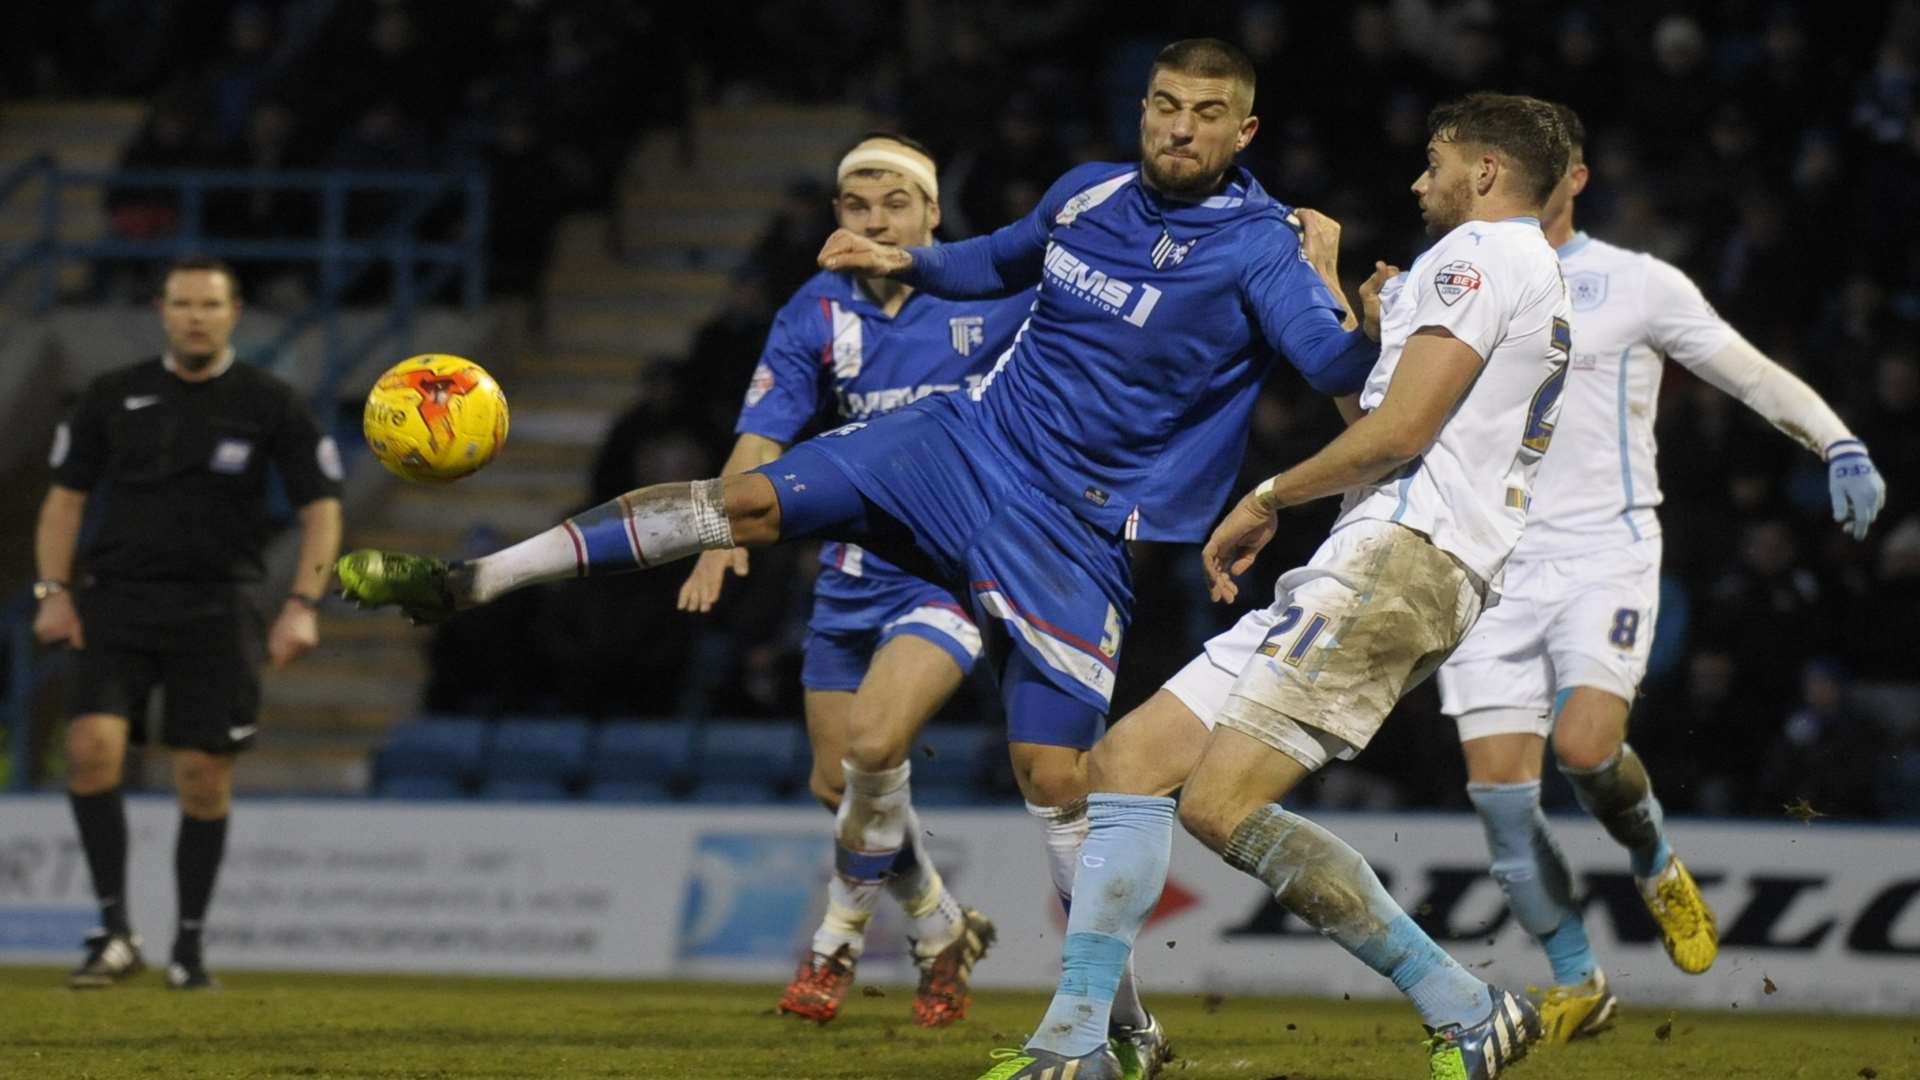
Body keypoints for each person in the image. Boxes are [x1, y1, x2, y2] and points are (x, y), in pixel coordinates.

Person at [335, 39, 1378, 1077]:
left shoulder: (1259, 246)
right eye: (1163, 105)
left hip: (1073, 523)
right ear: (1142, 109)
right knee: (739, 504)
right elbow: (1000, 260)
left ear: (1242, 131)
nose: (1178, 128)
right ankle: (469, 581)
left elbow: (1333, 361)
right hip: (962, 442)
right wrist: (909, 262)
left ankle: (1123, 1024)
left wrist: (1340, 286)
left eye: (1204, 113)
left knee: (1057, 779)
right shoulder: (1087, 192)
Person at [978, 92, 1575, 1080]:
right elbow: (1372, 413)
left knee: (1219, 805)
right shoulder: (1515, 273)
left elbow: (1399, 437)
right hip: (1381, 550)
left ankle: (1465, 1006)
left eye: (1434, 162)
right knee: (1126, 764)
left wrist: (1265, 496)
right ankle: (1078, 1044)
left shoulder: (1480, 258)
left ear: (1484, 173)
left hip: (1400, 555)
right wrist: (1336, 289)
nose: (1418, 181)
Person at [1433, 103, 1886, 1042]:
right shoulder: (1459, 280)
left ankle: (1654, 858)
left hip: (1606, 551)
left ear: (1575, 177)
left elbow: (1750, 375)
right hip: (1489, 565)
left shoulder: (1635, 284)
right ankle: (1578, 980)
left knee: (1588, 749)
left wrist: (1837, 441)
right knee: (1501, 808)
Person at [674, 133, 1030, 1028]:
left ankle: (833, 943)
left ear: (932, 216)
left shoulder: (995, 292)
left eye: (896, 206)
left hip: (951, 568)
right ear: (838, 217)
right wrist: (724, 526)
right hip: (848, 571)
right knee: (838, 784)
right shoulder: (813, 309)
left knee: (876, 749)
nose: (876, 223)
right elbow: (764, 432)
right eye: (859, 207)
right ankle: (943, 926)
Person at [33, 257, 345, 990]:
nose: (195, 315)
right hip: (118, 600)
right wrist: (53, 590)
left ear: (235, 312)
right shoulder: (112, 395)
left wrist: (303, 604)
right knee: (89, 748)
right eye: (182, 303)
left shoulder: (272, 402)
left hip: (219, 606)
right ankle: (114, 933)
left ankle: (190, 947)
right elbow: (64, 502)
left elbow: (322, 509)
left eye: (210, 303)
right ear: (162, 311)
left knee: (203, 777)